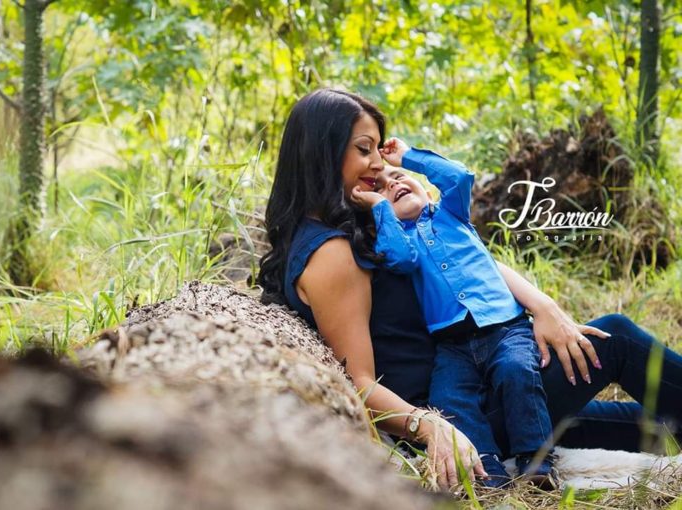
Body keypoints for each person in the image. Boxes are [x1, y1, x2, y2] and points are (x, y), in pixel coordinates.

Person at [257, 88, 682, 491]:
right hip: (457, 406)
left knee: (644, 423)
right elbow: (360, 383)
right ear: (322, 152)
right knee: (616, 337)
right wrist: (433, 427)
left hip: (486, 376)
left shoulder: (357, 218)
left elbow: (466, 262)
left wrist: (542, 306)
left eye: (378, 150)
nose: (376, 164)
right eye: (363, 149)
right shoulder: (332, 254)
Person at [348, 144, 555, 489]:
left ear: (426, 190)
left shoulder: (450, 214)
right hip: (452, 343)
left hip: (504, 326)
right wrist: (381, 208)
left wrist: (408, 157)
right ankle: (488, 475)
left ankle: (537, 464)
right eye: (382, 188)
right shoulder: (402, 242)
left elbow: (458, 176)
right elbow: (399, 257)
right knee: (448, 399)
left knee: (516, 370)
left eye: (399, 178)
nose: (393, 185)